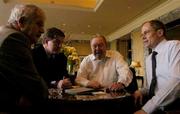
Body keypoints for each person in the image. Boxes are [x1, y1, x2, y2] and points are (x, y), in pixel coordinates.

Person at [0, 4, 48, 112]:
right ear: (21, 22)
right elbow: (38, 89)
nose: (42, 31)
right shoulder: (14, 38)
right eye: (39, 24)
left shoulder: (4, 32)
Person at [133, 20, 180, 114]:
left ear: (160, 32)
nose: (143, 37)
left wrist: (146, 109)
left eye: (146, 33)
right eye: (141, 35)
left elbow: (177, 80)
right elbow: (150, 86)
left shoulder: (175, 46)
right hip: (155, 107)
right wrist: (141, 91)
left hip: (173, 107)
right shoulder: (149, 58)